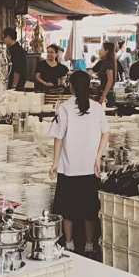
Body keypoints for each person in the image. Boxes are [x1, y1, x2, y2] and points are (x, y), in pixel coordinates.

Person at [49, 71, 109, 255]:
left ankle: (69, 242)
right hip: (90, 169)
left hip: (69, 169)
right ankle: (90, 244)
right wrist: (98, 157)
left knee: (68, 208)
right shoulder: (97, 107)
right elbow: (106, 133)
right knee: (89, 208)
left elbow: (58, 138)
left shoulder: (65, 108)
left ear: (71, 86)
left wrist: (54, 163)